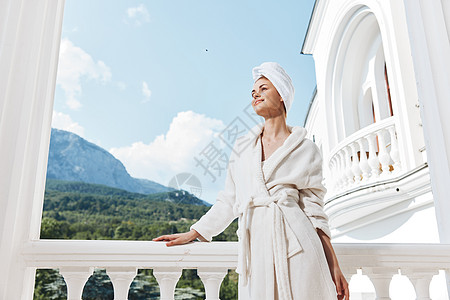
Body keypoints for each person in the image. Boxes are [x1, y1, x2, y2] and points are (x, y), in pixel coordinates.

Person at [153, 62, 350, 299]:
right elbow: (229, 200)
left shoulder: (306, 149)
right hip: (256, 251)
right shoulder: (243, 146)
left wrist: (333, 265)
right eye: (253, 91)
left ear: (282, 96)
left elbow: (314, 211)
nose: (256, 94)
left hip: (299, 248)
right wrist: (195, 232)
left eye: (264, 88)